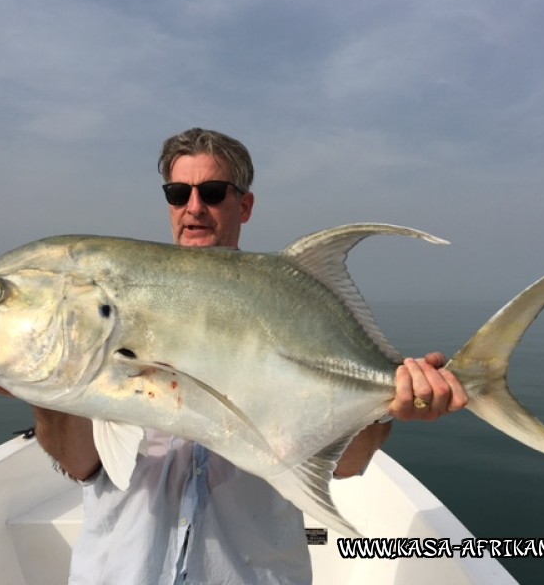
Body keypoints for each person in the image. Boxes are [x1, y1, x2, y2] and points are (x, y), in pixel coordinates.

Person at [30, 128, 468, 584]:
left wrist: (386, 407)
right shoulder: (118, 305)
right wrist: (47, 386)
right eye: (179, 193)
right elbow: (84, 465)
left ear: (245, 206)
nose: (194, 207)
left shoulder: (295, 307)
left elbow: (348, 463)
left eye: (213, 193)